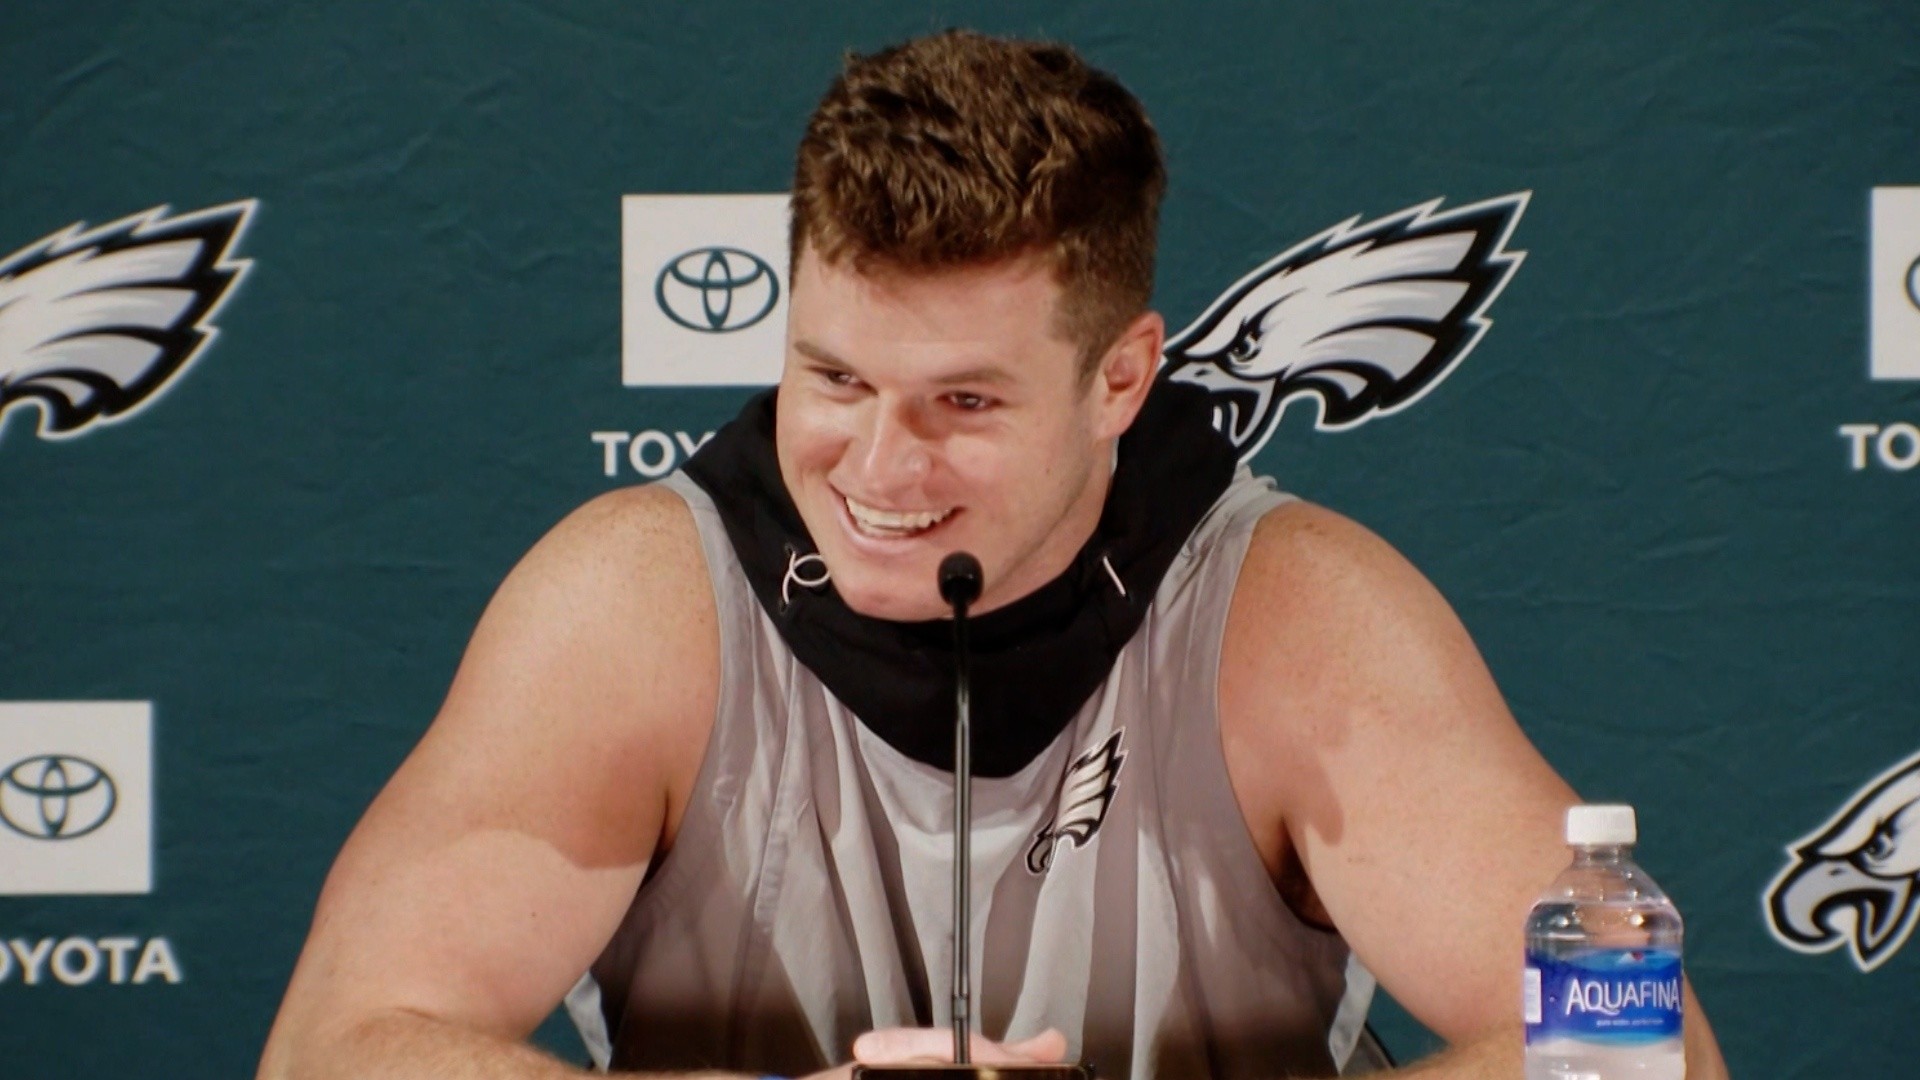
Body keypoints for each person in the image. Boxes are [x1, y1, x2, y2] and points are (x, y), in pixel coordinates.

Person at [258, 30, 1728, 1080]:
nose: (880, 471)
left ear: (1123, 380)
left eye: (963, 404)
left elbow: (1638, 1052)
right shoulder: (635, 606)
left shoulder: (1294, 621)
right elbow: (339, 1046)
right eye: (832, 381)